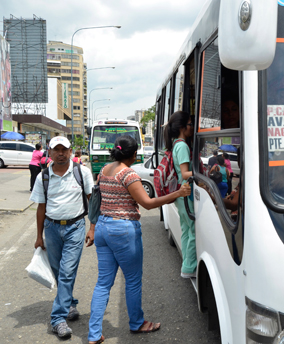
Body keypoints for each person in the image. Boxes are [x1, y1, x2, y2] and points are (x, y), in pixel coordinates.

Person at [85, 135, 191, 344]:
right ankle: (136, 323)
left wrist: (93, 227)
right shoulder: (128, 174)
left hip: (104, 228)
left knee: (103, 283)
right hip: (123, 230)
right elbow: (148, 203)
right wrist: (178, 193)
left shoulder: (105, 169)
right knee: (132, 280)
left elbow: (97, 200)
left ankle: (94, 334)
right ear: (134, 154)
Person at [29, 136, 94, 339]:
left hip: (75, 227)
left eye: (63, 150)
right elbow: (40, 207)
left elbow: (93, 202)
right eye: (56, 150)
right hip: (51, 228)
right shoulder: (43, 177)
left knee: (66, 272)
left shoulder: (81, 172)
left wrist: (92, 228)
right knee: (59, 272)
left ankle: (57, 319)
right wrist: (39, 236)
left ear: (70, 151)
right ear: (49, 152)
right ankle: (70, 304)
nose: (60, 153)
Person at [164, 111, 197, 279]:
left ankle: (187, 263)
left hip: (179, 194)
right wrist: (200, 172)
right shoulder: (182, 145)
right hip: (185, 193)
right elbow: (184, 173)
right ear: (183, 127)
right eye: (191, 124)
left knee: (185, 230)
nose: (193, 127)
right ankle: (190, 267)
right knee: (193, 231)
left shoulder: (176, 144)